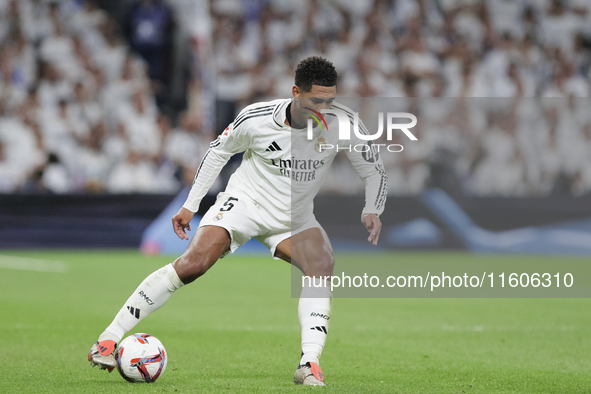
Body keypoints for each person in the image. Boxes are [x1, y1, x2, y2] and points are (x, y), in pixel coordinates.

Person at [88, 56, 388, 386]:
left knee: (322, 264)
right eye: (317, 100)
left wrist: (371, 207)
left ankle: (309, 363)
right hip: (244, 204)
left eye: (331, 100)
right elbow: (218, 151)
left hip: (294, 217)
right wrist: (191, 204)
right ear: (296, 93)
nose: (325, 108)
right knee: (193, 264)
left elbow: (373, 169)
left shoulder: (343, 123)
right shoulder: (256, 119)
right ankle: (108, 338)